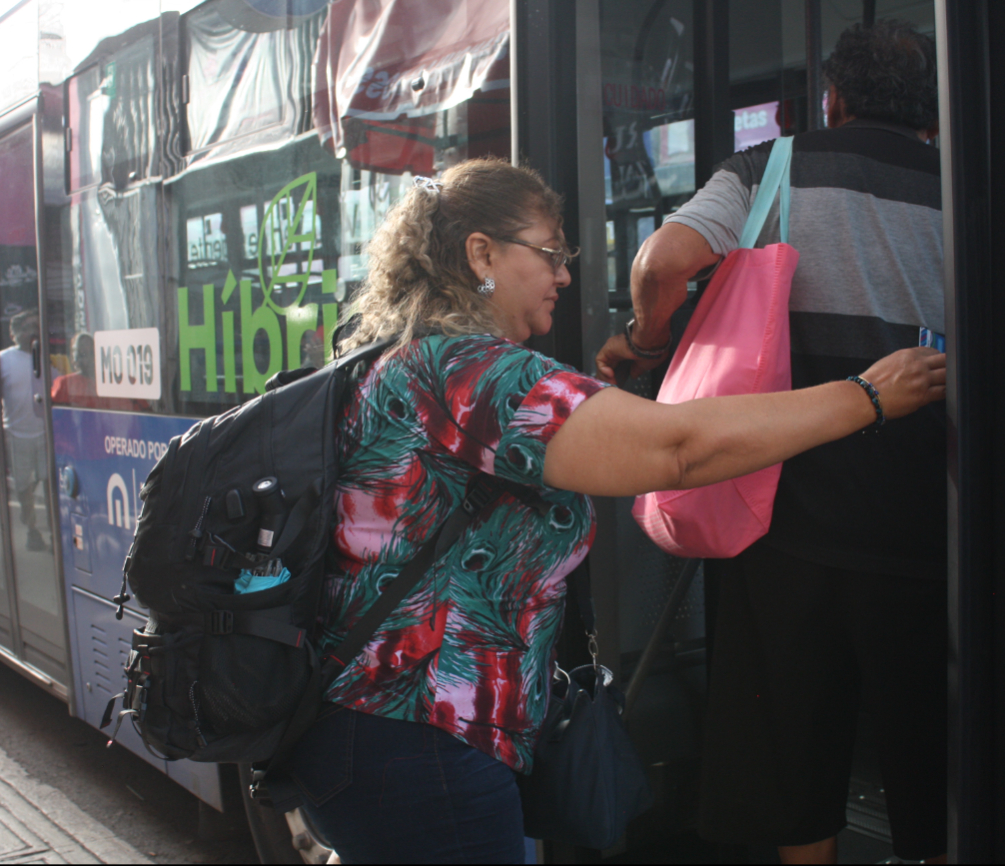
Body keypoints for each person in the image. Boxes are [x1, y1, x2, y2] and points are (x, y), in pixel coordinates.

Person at [285, 157, 944, 864]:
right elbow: (679, 450)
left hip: (382, 729)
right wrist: (865, 396)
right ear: (481, 253)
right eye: (548, 253)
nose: (565, 275)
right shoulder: (474, 377)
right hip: (421, 738)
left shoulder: (412, 362)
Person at [595, 19, 947, 866]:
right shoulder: (964, 183)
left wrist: (647, 343)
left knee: (793, 738)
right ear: (931, 112)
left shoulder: (770, 168)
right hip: (927, 518)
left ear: (829, 99)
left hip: (778, 509)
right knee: (928, 744)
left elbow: (659, 265)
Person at [0, 309, 49, 552]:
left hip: (43, 435)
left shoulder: (46, 360)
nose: (32, 332)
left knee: (47, 482)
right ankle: (32, 529)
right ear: (13, 334)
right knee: (23, 486)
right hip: (14, 436)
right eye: (26, 328)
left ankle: (49, 531)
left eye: (36, 326)